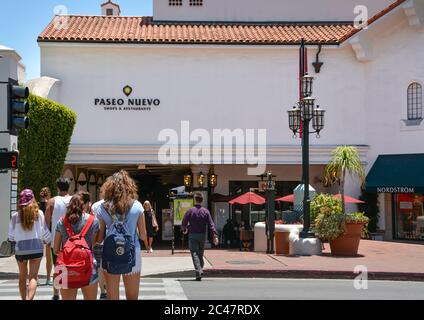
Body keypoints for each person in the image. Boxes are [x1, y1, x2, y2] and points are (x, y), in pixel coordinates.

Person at [96, 170, 147, 300]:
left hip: (110, 252)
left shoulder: (102, 208)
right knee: (132, 296)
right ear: (129, 186)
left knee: (112, 296)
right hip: (132, 253)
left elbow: (100, 238)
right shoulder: (137, 206)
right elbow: (143, 236)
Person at [53, 193, 99, 300]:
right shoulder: (93, 221)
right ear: (84, 205)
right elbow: (93, 245)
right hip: (88, 266)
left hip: (64, 267)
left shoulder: (61, 221)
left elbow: (56, 249)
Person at [8, 189, 51, 300]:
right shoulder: (39, 214)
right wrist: (48, 241)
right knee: (33, 277)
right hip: (36, 248)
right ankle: (29, 298)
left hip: (21, 250)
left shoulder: (15, 216)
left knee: (22, 277)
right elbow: (45, 232)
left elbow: (11, 236)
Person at [45, 177, 72, 300]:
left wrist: (48, 237)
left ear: (57, 187)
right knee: (70, 266)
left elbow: (46, 222)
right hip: (72, 239)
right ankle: (69, 292)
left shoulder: (51, 201)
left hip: (56, 240)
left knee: (58, 266)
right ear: (69, 187)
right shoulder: (74, 200)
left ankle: (56, 294)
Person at [181, 193, 219, 281]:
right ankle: (200, 270)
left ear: (195, 199)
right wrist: (215, 234)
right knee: (200, 254)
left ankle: (198, 270)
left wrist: (184, 229)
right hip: (202, 235)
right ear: (202, 200)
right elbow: (211, 224)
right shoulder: (206, 211)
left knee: (194, 253)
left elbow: (184, 222)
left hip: (193, 234)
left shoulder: (190, 211)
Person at [91, 186, 107, 300]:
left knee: (100, 267)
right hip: (112, 241)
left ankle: (103, 291)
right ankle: (109, 289)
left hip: (98, 241)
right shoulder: (114, 204)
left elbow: (93, 223)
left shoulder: (95, 205)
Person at [39, 187, 53, 286]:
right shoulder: (51, 204)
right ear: (48, 194)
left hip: (40, 232)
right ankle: (48, 278)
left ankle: (36, 277)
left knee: (37, 258)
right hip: (48, 231)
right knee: (49, 258)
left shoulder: (38, 205)